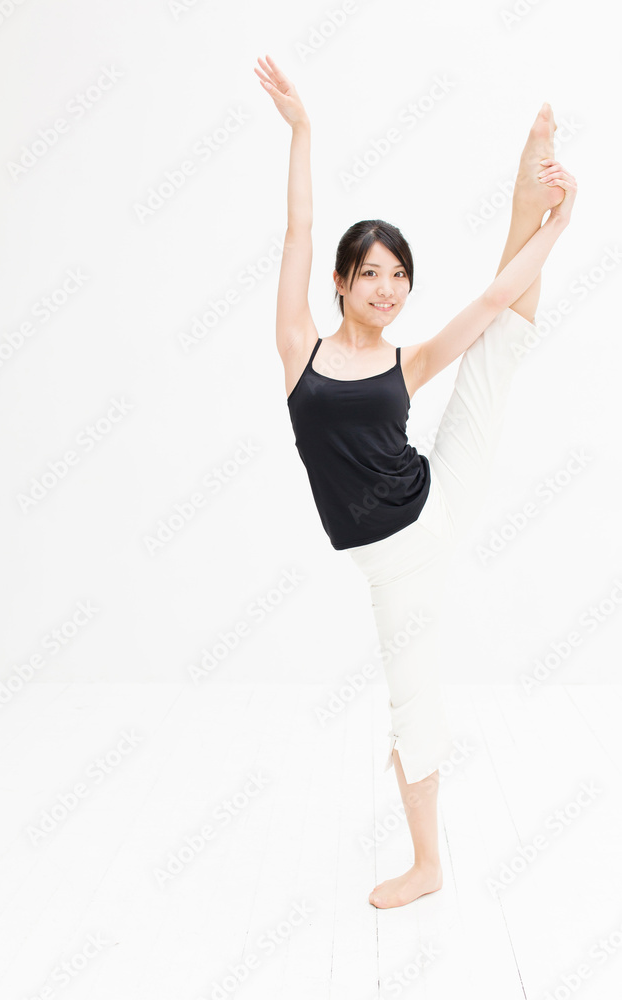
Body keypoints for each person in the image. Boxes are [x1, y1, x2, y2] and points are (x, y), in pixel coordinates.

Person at [254, 54, 577, 908]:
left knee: (497, 351)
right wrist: (303, 131)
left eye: (398, 276)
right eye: (371, 274)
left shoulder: (406, 360)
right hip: (392, 567)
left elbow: (488, 300)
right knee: (414, 708)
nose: (387, 289)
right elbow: (296, 230)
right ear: (341, 281)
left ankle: (523, 194)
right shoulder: (300, 351)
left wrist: (555, 228)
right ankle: (428, 863)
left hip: (436, 501)